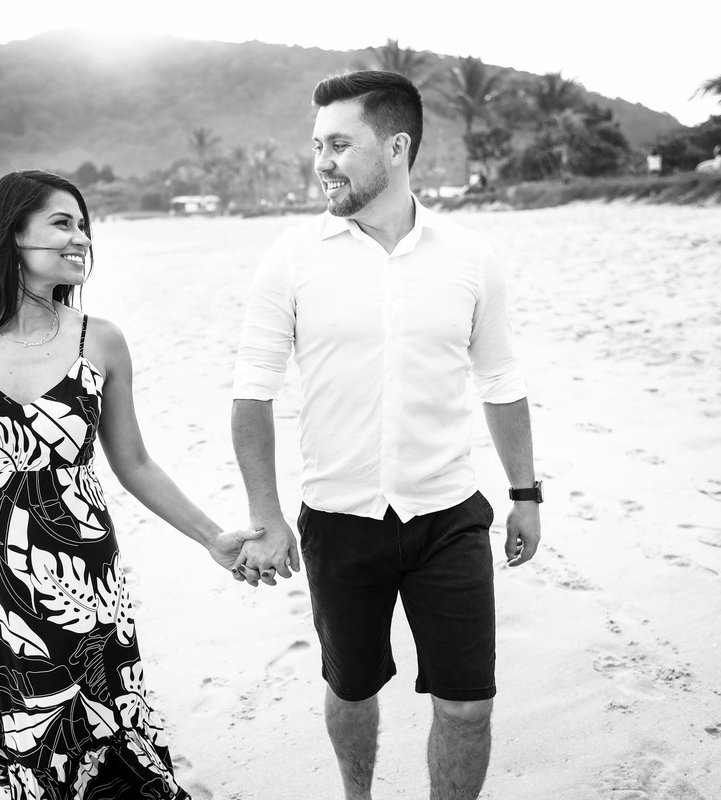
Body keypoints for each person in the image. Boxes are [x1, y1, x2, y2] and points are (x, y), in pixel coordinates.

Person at [0, 169, 260, 799]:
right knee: (27, 764)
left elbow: (133, 462)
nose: (80, 239)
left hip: (87, 588)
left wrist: (211, 537)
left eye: (84, 226)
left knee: (117, 751)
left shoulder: (98, 340)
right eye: (62, 223)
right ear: (10, 234)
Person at [230, 71, 542, 800]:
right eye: (317, 145)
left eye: (340, 144)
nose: (322, 162)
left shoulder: (469, 256)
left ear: (397, 147)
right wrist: (267, 516)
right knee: (351, 690)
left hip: (447, 517)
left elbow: (500, 379)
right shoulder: (292, 257)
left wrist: (526, 494)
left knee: (469, 705)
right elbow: (252, 391)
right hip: (339, 522)